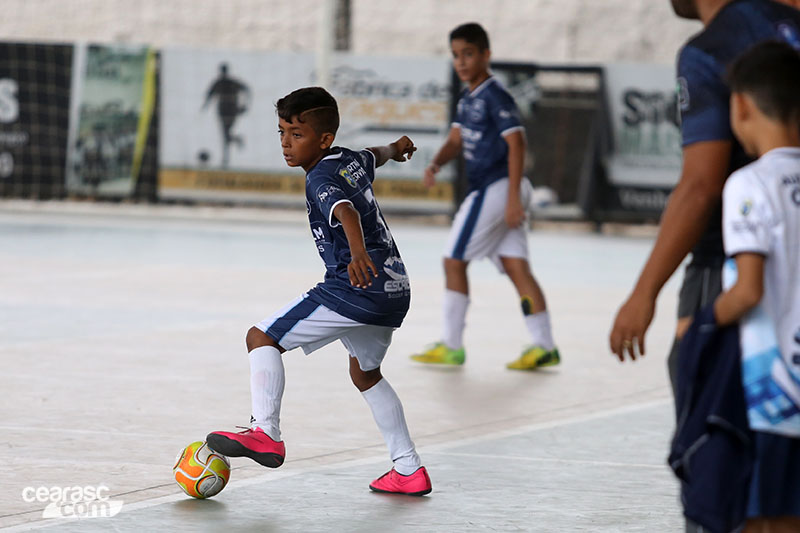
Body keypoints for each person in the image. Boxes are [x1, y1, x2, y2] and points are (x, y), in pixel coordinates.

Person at [206, 87, 432, 496]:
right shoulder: (348, 159)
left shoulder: (321, 177)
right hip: (395, 288)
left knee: (261, 337)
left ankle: (265, 432)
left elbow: (343, 210)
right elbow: (374, 154)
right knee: (365, 374)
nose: (287, 144)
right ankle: (408, 468)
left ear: (323, 139)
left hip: (357, 285)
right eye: (281, 133)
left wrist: (357, 253)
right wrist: (396, 147)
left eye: (297, 134)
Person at [609, 0, 800, 391]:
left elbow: (700, 187)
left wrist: (644, 294)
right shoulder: (787, 22)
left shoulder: (709, 51)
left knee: (709, 419)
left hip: (726, 267)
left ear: (742, 106)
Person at [410, 22, 559, 370]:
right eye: (456, 55)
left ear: (486, 55)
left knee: (453, 260)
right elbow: (456, 141)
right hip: (499, 189)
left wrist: (510, 198)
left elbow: (517, 143)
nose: (461, 62)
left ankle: (451, 345)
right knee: (516, 266)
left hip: (497, 186)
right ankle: (545, 345)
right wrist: (435, 163)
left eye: (469, 54)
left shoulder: (496, 95)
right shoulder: (468, 98)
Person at [713, 40, 800, 532]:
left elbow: (748, 291)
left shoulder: (750, 184)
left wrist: (700, 323)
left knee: (759, 519)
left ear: (741, 104)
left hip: (774, 398)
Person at [201, 63, 251, 168]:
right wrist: (205, 106)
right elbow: (209, 95)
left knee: (225, 134)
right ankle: (234, 143)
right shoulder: (218, 83)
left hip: (232, 111)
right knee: (225, 134)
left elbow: (247, 90)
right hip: (222, 111)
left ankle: (225, 160)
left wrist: (245, 105)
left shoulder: (232, 82)